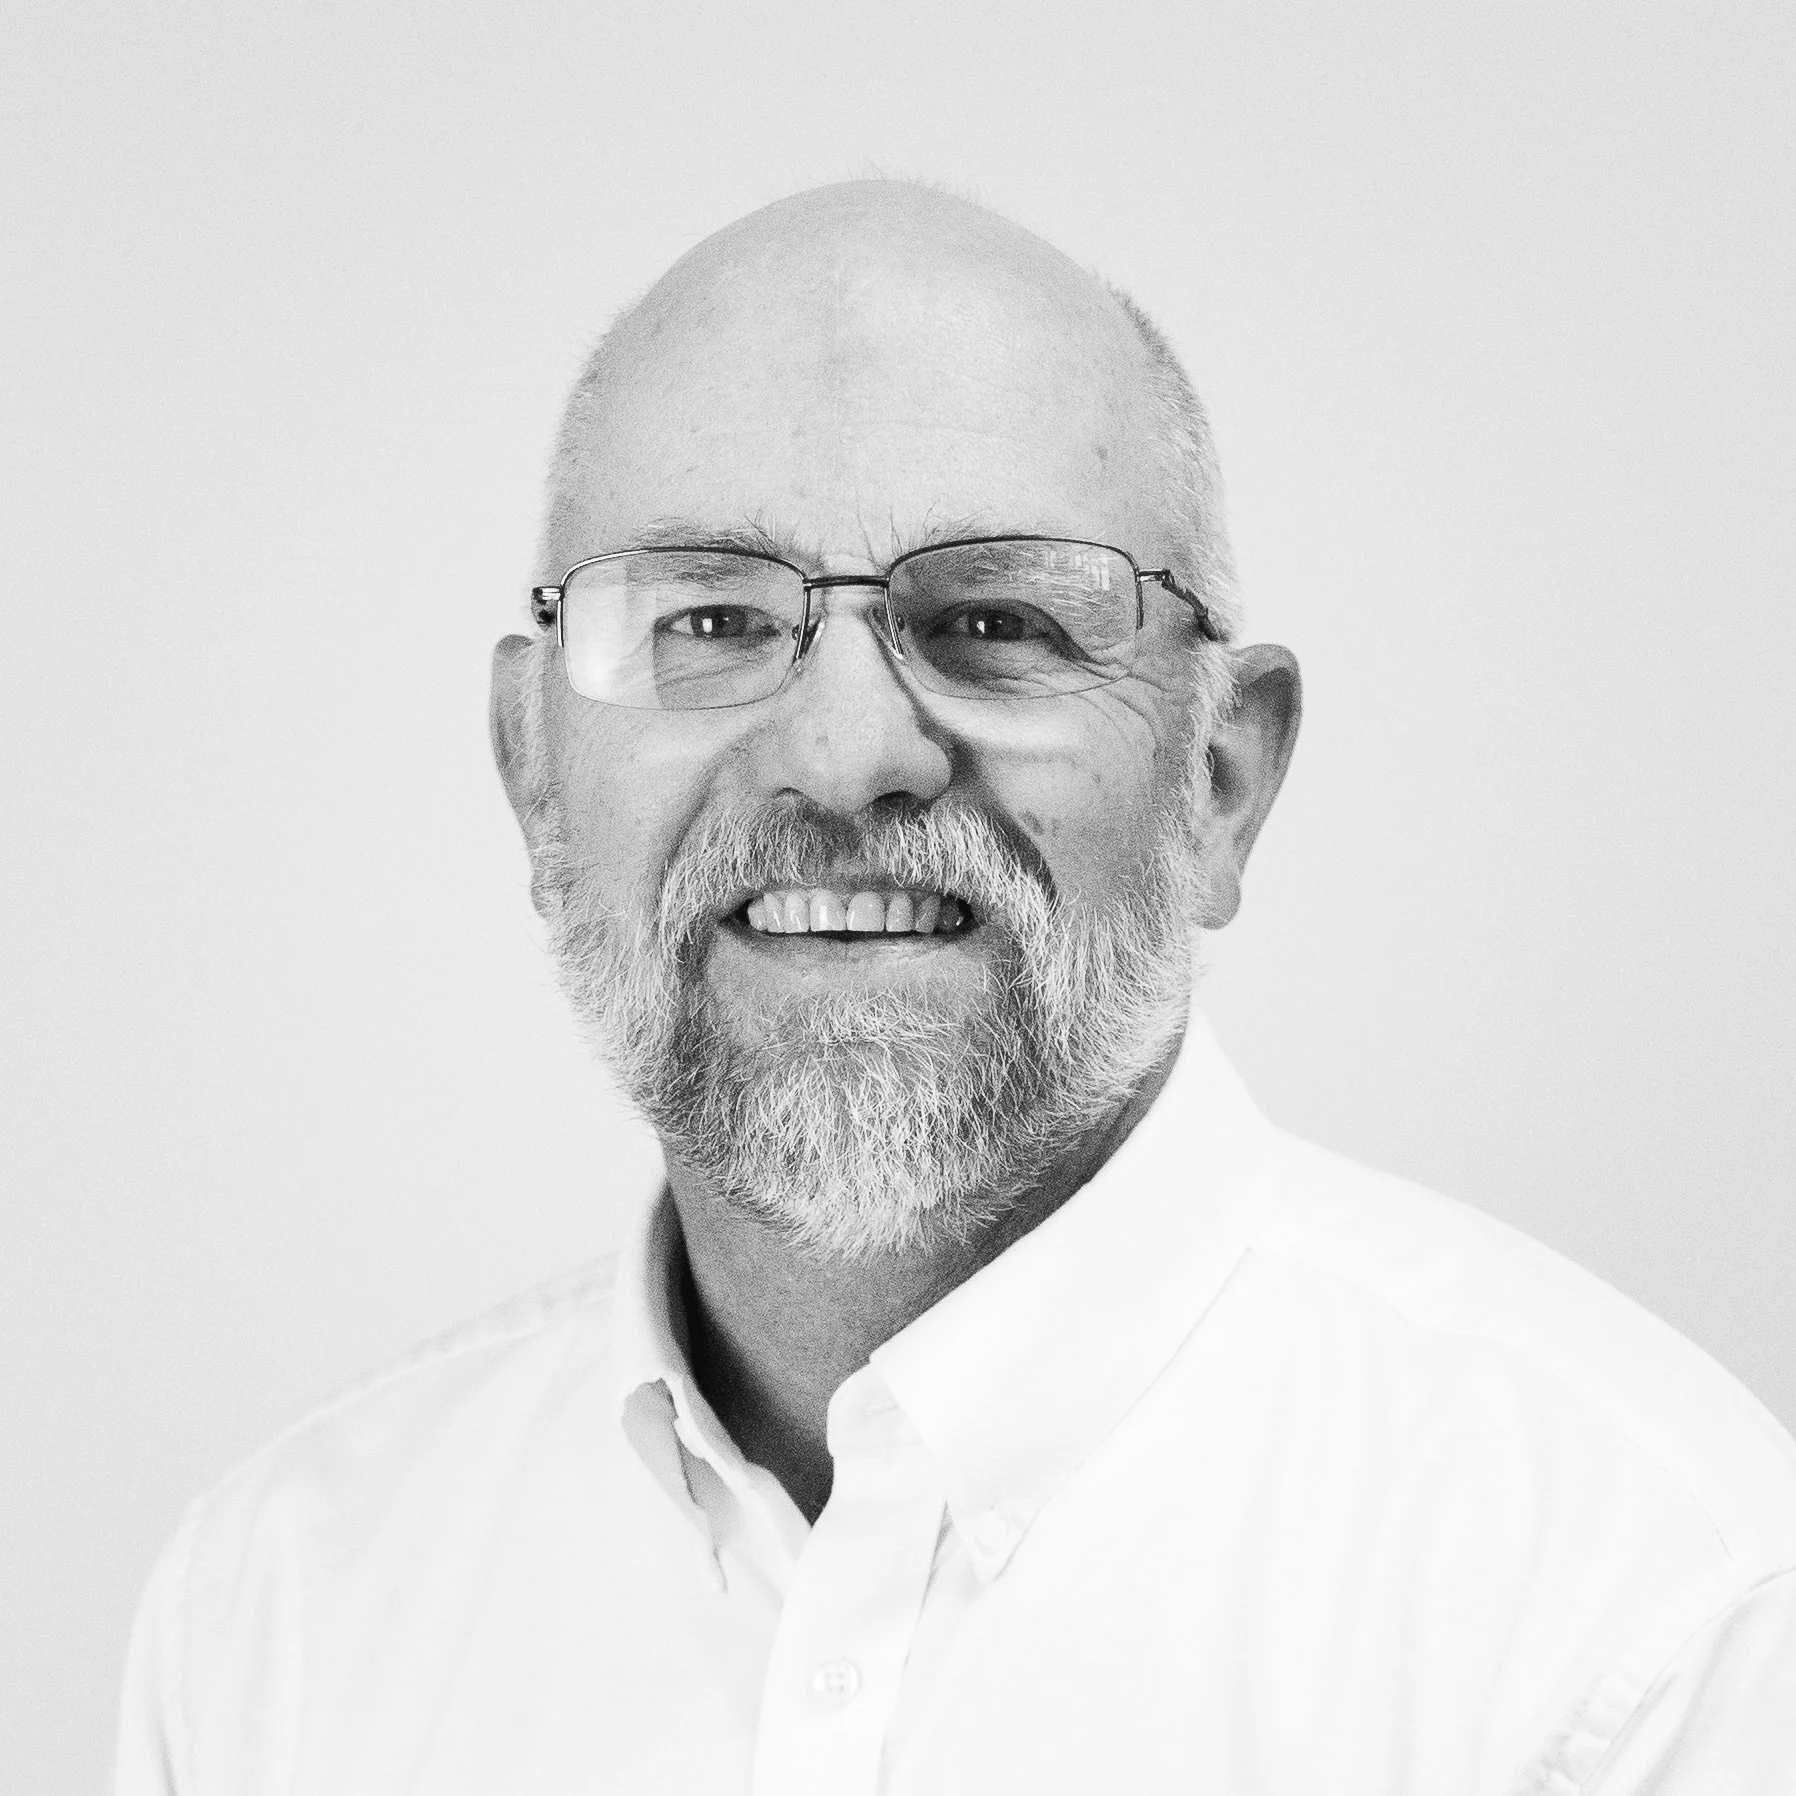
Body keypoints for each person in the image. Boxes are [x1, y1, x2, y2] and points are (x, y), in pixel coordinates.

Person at [113, 181, 1796, 1794]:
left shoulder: (1643, 1610)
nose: (846, 754)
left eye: (992, 617)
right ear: (533, 768)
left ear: (1221, 778)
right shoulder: (278, 1615)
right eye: (706, 619)